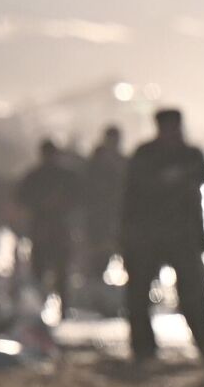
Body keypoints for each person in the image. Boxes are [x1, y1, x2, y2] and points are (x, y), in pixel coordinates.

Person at [122, 109, 204, 362]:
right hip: (148, 235)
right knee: (139, 296)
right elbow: (133, 192)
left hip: (182, 236)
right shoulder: (146, 155)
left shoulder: (189, 155)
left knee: (193, 296)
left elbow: (202, 174)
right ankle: (143, 349)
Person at [16, 139, 79, 315]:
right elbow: (22, 198)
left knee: (59, 271)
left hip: (57, 228)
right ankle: (44, 308)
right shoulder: (38, 176)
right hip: (44, 227)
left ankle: (60, 308)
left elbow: (79, 199)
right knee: (43, 269)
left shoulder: (63, 177)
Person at [81, 126, 127, 292]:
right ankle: (97, 290)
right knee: (98, 254)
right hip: (99, 217)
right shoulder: (96, 164)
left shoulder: (120, 162)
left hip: (117, 215)